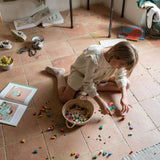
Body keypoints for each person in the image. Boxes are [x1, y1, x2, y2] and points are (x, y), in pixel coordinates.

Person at [45, 41, 138, 115]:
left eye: (123, 66)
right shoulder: (95, 57)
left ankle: (88, 89)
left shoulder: (116, 60)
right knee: (64, 99)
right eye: (120, 65)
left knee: (127, 85)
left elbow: (120, 76)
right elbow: (87, 82)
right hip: (81, 74)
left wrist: (124, 97)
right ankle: (60, 74)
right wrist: (100, 102)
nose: (120, 68)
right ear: (115, 55)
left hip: (100, 75)